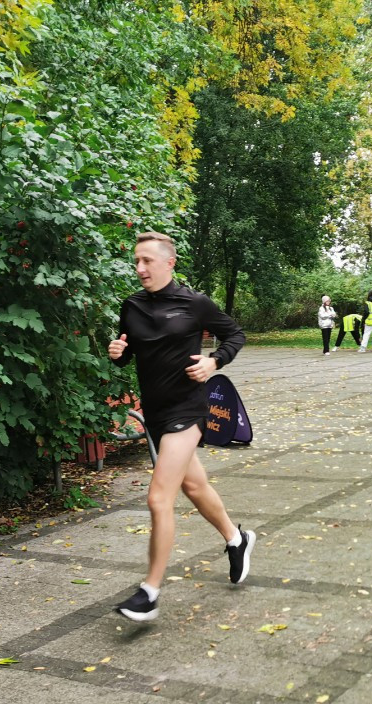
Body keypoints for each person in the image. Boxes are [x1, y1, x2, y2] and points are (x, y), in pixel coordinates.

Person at [108, 231, 255, 621]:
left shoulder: (195, 303)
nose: (140, 268)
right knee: (194, 485)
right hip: (156, 412)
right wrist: (118, 354)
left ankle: (149, 592)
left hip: (188, 409)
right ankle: (237, 538)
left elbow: (235, 334)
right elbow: (130, 352)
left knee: (159, 498)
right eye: (136, 262)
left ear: (169, 263)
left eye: (147, 261)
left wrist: (214, 361)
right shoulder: (132, 306)